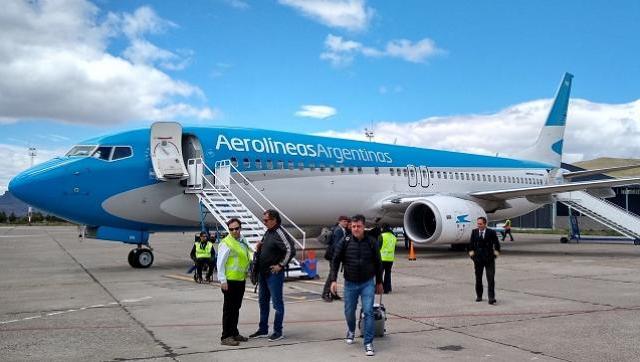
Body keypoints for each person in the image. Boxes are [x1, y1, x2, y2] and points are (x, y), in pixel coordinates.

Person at [330, 215, 383, 357]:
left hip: (367, 283)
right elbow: (335, 261)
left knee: (368, 312)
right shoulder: (345, 241)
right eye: (353, 226)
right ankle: (351, 330)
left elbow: (379, 263)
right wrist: (333, 280)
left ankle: (368, 342)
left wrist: (379, 282)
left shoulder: (372, 242)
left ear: (364, 226)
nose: (356, 229)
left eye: (358, 226)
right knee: (349, 311)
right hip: (350, 283)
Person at [249, 209, 296, 341]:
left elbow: (290, 249)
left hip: (273, 274)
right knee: (263, 302)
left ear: (274, 220)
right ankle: (263, 329)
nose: (264, 222)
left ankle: (278, 331)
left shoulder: (279, 232)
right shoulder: (268, 232)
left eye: (266, 220)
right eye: (263, 220)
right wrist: (259, 248)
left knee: (277, 304)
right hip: (263, 274)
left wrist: (281, 265)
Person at [217, 218, 251, 346]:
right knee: (229, 310)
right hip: (229, 281)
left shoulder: (242, 241)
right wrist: (222, 280)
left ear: (240, 228)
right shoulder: (226, 243)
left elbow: (246, 256)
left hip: (240, 280)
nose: (234, 231)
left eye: (236, 228)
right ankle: (226, 336)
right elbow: (220, 263)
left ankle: (234, 332)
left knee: (236, 308)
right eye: (231, 229)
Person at [467, 217, 501, 305]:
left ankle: (491, 298)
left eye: (480, 224)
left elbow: (497, 244)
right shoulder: (474, 232)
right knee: (478, 279)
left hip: (489, 259)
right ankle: (479, 296)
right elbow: (470, 245)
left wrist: (495, 255)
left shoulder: (491, 232)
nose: (479, 225)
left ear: (485, 224)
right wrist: (472, 257)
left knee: (490, 279)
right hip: (478, 259)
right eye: (478, 224)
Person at [322, 215, 349, 302]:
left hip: (335, 256)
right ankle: (325, 293)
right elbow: (337, 245)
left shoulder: (341, 230)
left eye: (346, 221)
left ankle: (333, 293)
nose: (346, 223)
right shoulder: (338, 230)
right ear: (340, 221)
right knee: (332, 275)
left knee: (334, 275)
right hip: (334, 256)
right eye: (344, 221)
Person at [379, 224, 397, 294]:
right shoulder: (394, 237)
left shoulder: (381, 236)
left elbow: (378, 247)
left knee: (379, 274)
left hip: (382, 258)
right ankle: (387, 289)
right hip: (390, 259)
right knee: (388, 274)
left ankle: (380, 288)